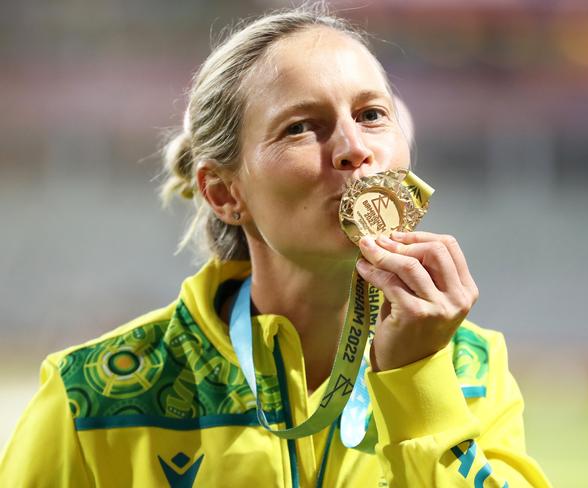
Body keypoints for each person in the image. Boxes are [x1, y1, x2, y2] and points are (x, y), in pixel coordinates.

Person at [0, 6, 551, 487]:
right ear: (223, 192)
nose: (354, 149)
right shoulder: (90, 399)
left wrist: (419, 385)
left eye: (371, 115)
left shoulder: (471, 368)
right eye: (301, 127)